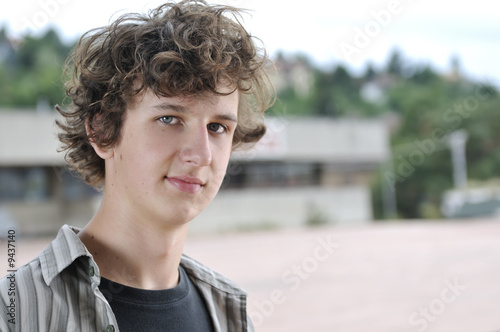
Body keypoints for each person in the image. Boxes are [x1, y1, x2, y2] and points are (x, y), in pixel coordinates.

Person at [0, 1, 275, 331]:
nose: (202, 155)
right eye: (169, 119)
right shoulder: (15, 313)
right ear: (102, 131)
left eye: (217, 127)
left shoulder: (231, 316)